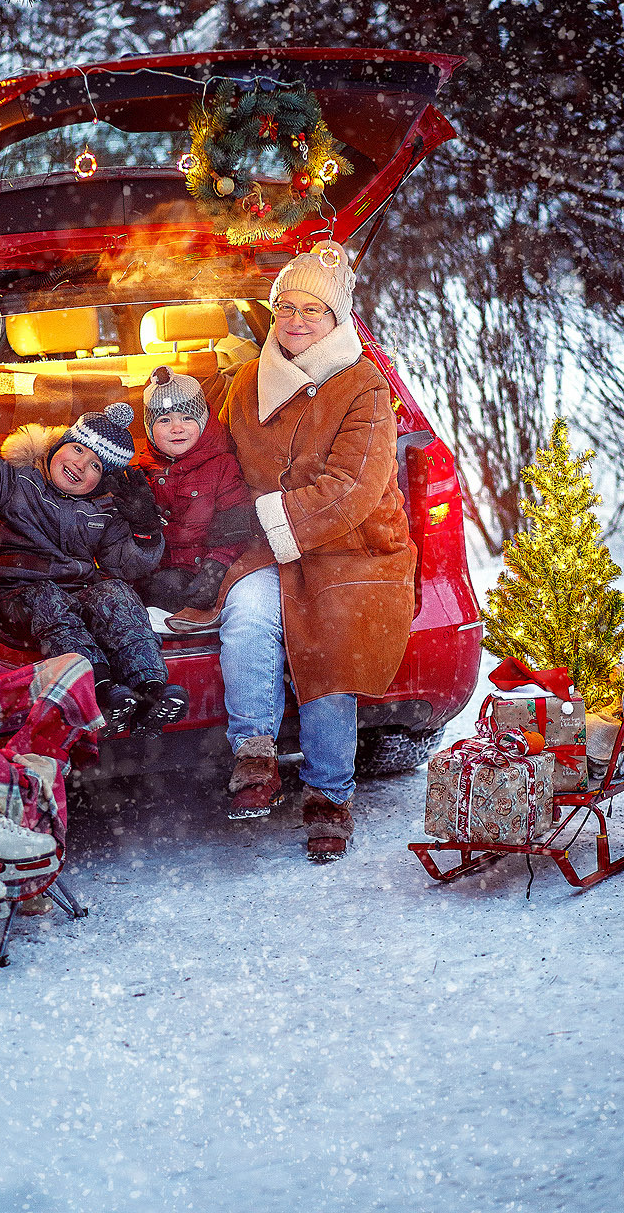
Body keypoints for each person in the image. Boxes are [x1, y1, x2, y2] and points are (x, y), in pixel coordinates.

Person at [170, 241, 416, 863]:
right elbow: (218, 453)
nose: (299, 321)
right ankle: (254, 755)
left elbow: (350, 491)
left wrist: (264, 515)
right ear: (274, 313)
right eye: (288, 308)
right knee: (248, 615)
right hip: (270, 545)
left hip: (351, 547)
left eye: (315, 309)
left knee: (326, 637)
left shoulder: (364, 385)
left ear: (337, 318)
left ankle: (329, 797)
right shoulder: (250, 379)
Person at [0, 398, 188, 737]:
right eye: (77, 449)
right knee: (50, 599)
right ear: (60, 444)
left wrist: (145, 527)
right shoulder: (20, 484)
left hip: (75, 592)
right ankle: (96, 686)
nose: (80, 465)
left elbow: (125, 564)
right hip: (18, 592)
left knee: (117, 593)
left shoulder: (102, 510)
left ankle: (149, 689)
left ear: (103, 481)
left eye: (95, 467)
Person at [136, 365, 251, 613]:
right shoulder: (142, 471)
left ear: (203, 421)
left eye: (187, 418)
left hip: (201, 571)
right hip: (156, 574)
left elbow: (236, 526)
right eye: (164, 420)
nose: (177, 428)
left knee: (167, 588)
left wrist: (215, 569)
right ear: (149, 429)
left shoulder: (221, 465)